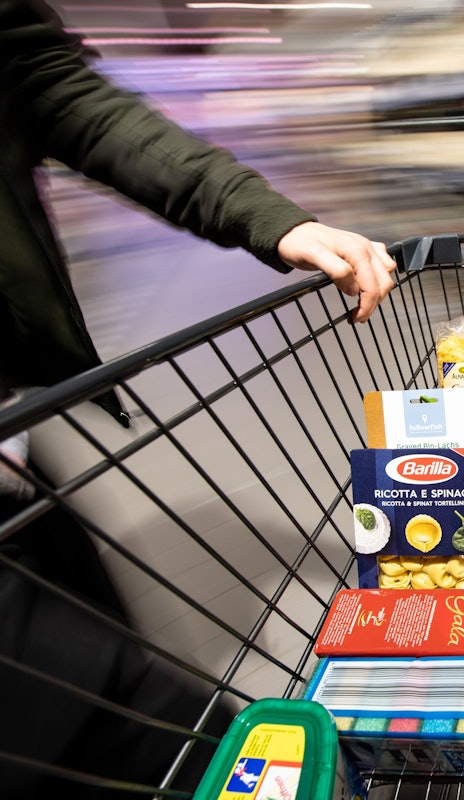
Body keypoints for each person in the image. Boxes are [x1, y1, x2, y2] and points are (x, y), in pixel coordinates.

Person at [0, 0, 397, 795]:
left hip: (14, 438)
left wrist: (268, 218)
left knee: (117, 672)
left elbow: (53, 91)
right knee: (154, 739)